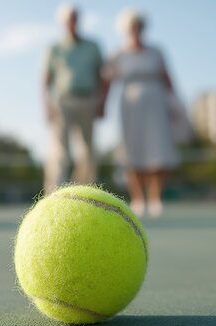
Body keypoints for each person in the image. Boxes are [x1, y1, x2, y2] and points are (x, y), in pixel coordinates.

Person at [102, 9, 181, 218]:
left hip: (155, 105)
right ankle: (138, 199)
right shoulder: (117, 55)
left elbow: (167, 79)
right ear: (126, 30)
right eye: (131, 27)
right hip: (130, 108)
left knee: (158, 151)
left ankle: (155, 198)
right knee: (131, 153)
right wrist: (102, 105)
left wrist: (174, 104)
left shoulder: (156, 52)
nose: (135, 30)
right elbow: (107, 83)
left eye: (138, 26)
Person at [42, 4, 106, 194]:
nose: (72, 22)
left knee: (88, 151)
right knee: (60, 150)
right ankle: (53, 193)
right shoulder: (54, 48)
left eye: (75, 17)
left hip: (88, 100)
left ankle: (86, 193)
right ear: (63, 22)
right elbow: (45, 80)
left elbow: (101, 77)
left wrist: (102, 101)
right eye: (68, 18)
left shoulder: (93, 46)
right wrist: (46, 105)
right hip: (63, 101)